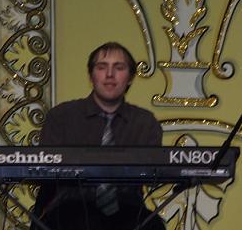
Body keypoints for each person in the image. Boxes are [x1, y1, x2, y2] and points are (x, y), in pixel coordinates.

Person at [31, 42, 165, 230]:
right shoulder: (61, 116)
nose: (110, 74)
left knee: (153, 225)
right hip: (70, 208)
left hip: (126, 209)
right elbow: (43, 170)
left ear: (130, 78)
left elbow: (153, 173)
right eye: (102, 67)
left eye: (119, 68)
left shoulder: (144, 122)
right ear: (91, 76)